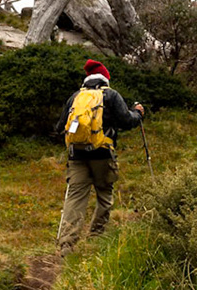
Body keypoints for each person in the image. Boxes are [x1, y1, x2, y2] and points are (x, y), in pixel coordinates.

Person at [56, 59, 144, 254]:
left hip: (76, 155)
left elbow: (59, 127)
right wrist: (138, 114)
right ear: (105, 78)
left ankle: (67, 244)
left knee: (75, 198)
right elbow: (126, 121)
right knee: (104, 196)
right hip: (103, 154)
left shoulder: (75, 97)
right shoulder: (111, 95)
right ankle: (95, 238)